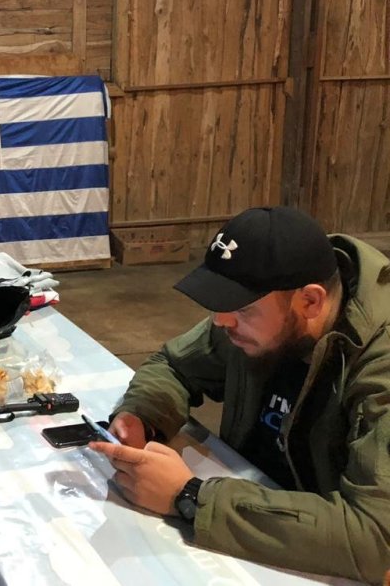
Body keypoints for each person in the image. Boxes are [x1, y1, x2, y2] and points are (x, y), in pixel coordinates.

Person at [88, 206, 390, 584]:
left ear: (310, 301)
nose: (221, 321)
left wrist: (191, 497)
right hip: (250, 523)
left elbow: (375, 537)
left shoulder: (379, 365)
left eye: (243, 310)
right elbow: (174, 364)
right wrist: (142, 415)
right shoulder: (260, 315)